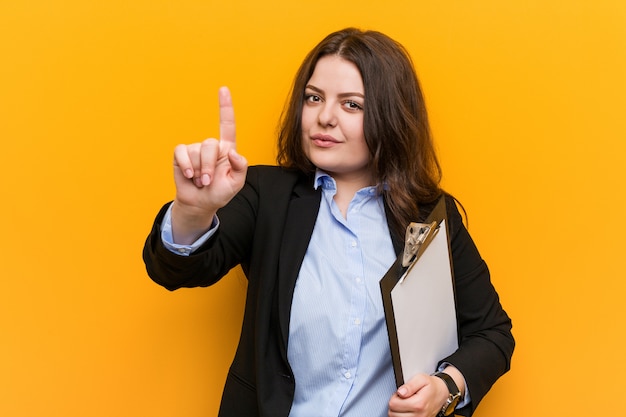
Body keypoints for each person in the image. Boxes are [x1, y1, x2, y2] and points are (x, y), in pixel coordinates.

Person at [143, 28, 514, 417]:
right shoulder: (266, 195)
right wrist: (193, 211)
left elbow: (492, 334)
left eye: (351, 105)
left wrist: (445, 387)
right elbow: (176, 270)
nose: (324, 117)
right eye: (314, 98)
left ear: (390, 115)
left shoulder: (430, 215)